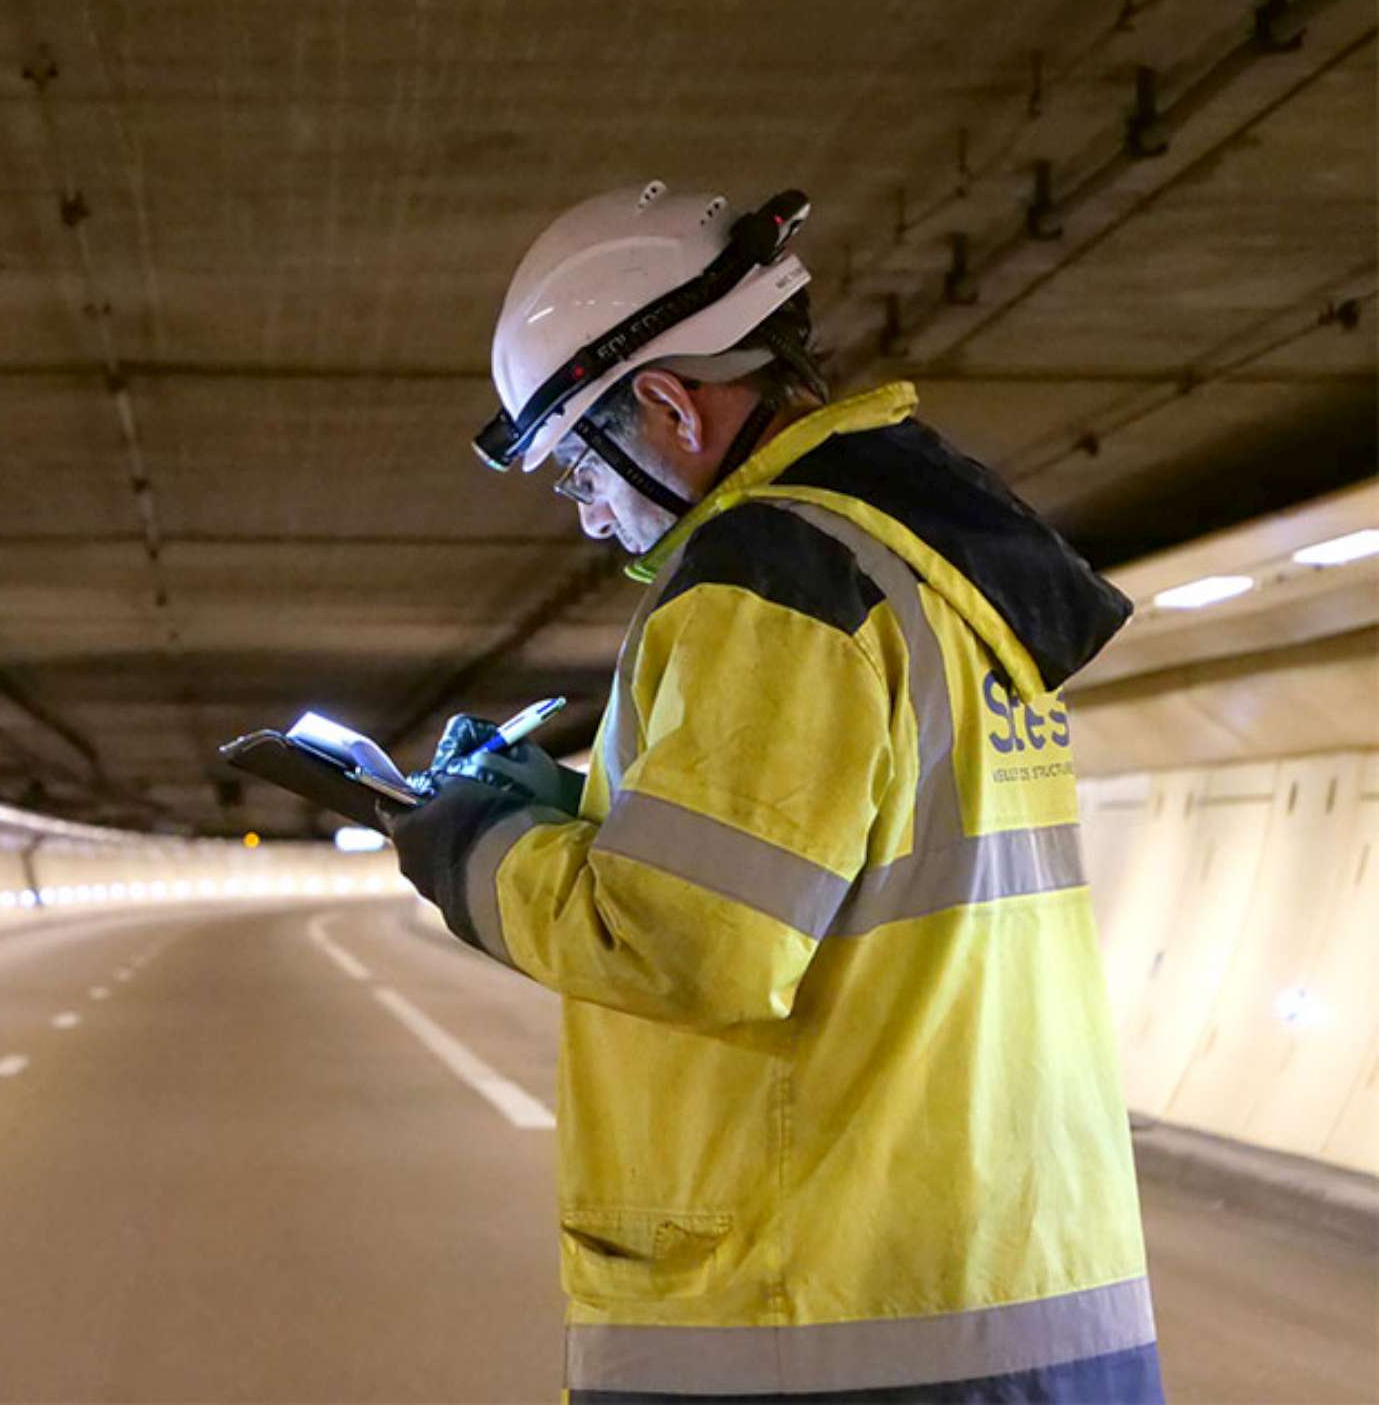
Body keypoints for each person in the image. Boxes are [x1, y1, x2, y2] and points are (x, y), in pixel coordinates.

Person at [385, 182, 1163, 1404]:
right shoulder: (931, 568)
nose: (580, 510)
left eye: (572, 462)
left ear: (666, 405)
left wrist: (468, 844)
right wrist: (578, 810)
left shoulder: (773, 579)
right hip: (1024, 1296)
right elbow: (815, 857)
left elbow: (689, 944)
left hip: (829, 1318)